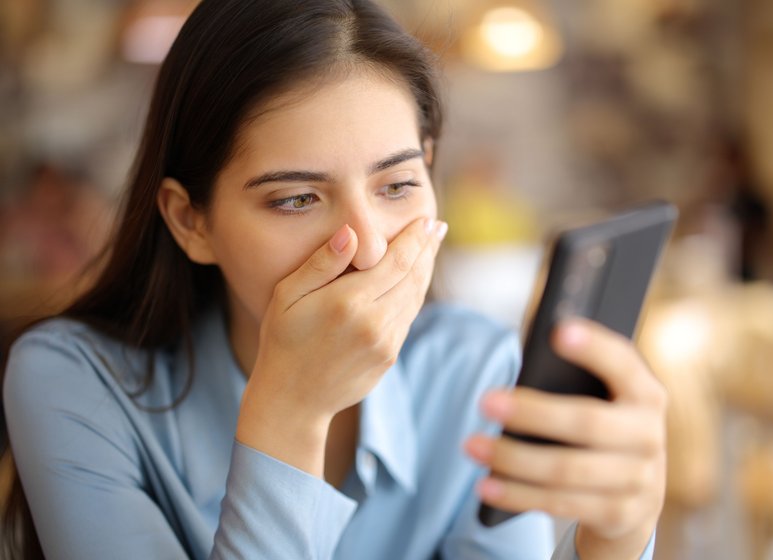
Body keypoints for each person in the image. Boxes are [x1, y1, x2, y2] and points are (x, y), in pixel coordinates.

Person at [1, 0, 667, 558]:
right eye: (296, 199)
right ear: (190, 221)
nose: (370, 248)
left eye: (400, 184)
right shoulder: (72, 382)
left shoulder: (473, 370)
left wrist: (616, 539)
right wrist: (289, 411)